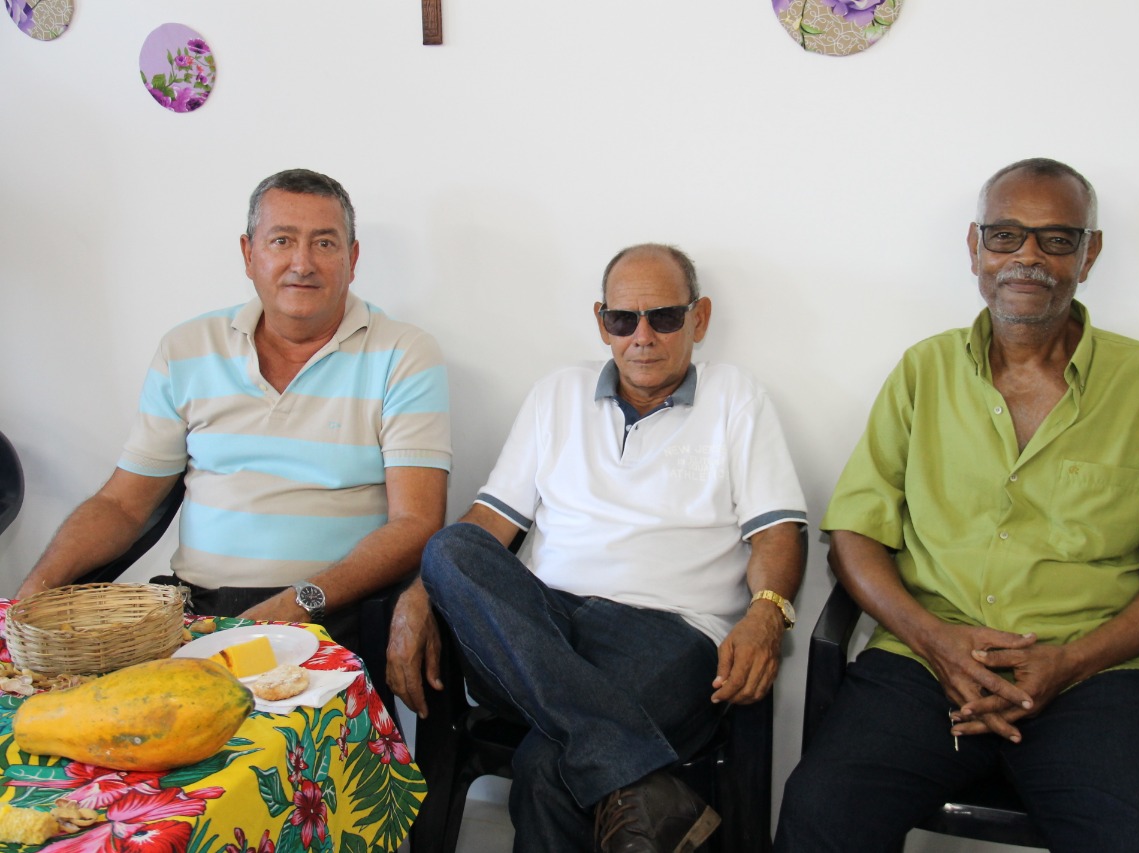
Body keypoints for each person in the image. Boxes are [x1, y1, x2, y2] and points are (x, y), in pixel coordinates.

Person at [775, 158, 1139, 852]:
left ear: (1089, 254)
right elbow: (854, 535)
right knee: (821, 813)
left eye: (1057, 239)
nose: (1028, 257)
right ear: (975, 247)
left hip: (1094, 674)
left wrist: (1070, 662)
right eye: (1005, 235)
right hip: (927, 662)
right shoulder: (924, 371)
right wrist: (934, 640)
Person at [387, 243, 807, 853]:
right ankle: (637, 779)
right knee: (451, 548)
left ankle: (615, 766)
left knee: (547, 766)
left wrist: (768, 613)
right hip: (540, 628)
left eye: (664, 317)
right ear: (601, 322)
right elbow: (488, 524)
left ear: (700, 318)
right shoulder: (557, 393)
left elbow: (777, 531)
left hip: (670, 635)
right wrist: (419, 595)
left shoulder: (736, 398)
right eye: (623, 319)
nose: (643, 336)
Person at [16, 169, 451, 652]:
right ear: (248, 254)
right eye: (282, 241)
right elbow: (122, 504)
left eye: (324, 244)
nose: (302, 263)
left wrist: (298, 603)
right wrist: (30, 594)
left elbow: (416, 523)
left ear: (352, 259)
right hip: (196, 613)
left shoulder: (403, 353)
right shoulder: (187, 348)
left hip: (328, 613)